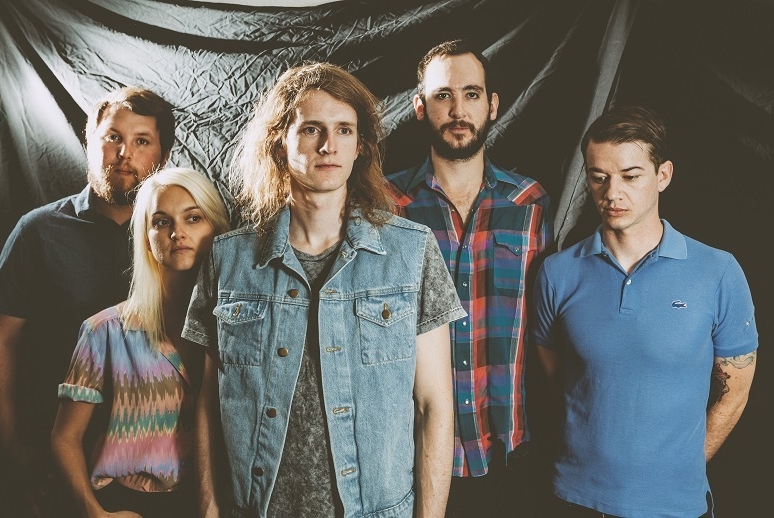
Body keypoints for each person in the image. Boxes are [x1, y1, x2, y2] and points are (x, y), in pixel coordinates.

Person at [183, 62, 466, 518]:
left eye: (344, 130)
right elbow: (207, 401)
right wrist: (208, 507)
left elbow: (435, 405)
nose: (328, 145)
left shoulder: (411, 252)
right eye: (311, 129)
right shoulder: (228, 259)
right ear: (280, 142)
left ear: (360, 146)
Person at [531, 105, 758, 517]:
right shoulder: (557, 273)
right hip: (574, 498)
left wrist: (681, 468)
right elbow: (559, 382)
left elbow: (735, 394)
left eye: (630, 176)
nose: (611, 193)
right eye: (598, 176)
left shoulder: (718, 271)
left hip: (675, 505)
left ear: (663, 175)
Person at [0, 86, 175, 517]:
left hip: (158, 466)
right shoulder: (38, 231)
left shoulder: (179, 236)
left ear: (163, 155)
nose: (124, 153)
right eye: (113, 137)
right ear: (90, 142)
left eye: (142, 141)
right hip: (56, 459)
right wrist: (12, 448)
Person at [385, 39, 553, 517]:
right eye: (443, 95)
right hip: (410, 454)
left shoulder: (530, 203)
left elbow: (550, 325)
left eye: (472, 94)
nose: (458, 110)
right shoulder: (386, 206)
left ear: (492, 105)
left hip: (511, 455)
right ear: (419, 107)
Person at [50, 167, 230, 518]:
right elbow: (64, 437)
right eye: (161, 222)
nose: (178, 233)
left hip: (220, 502)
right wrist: (94, 513)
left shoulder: (239, 330)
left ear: (218, 229)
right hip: (130, 503)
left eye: (194, 218)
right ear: (146, 237)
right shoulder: (104, 331)